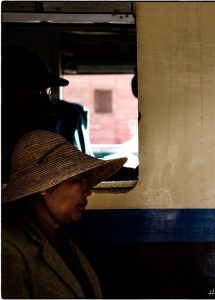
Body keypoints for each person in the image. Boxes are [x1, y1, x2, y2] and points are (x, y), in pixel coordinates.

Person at [1, 130, 127, 298]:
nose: (87, 191)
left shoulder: (62, 239)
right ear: (43, 188)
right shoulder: (9, 249)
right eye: (76, 180)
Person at [1, 45, 91, 182]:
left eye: (47, 91)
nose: (45, 99)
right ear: (7, 93)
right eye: (37, 91)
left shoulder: (49, 122)